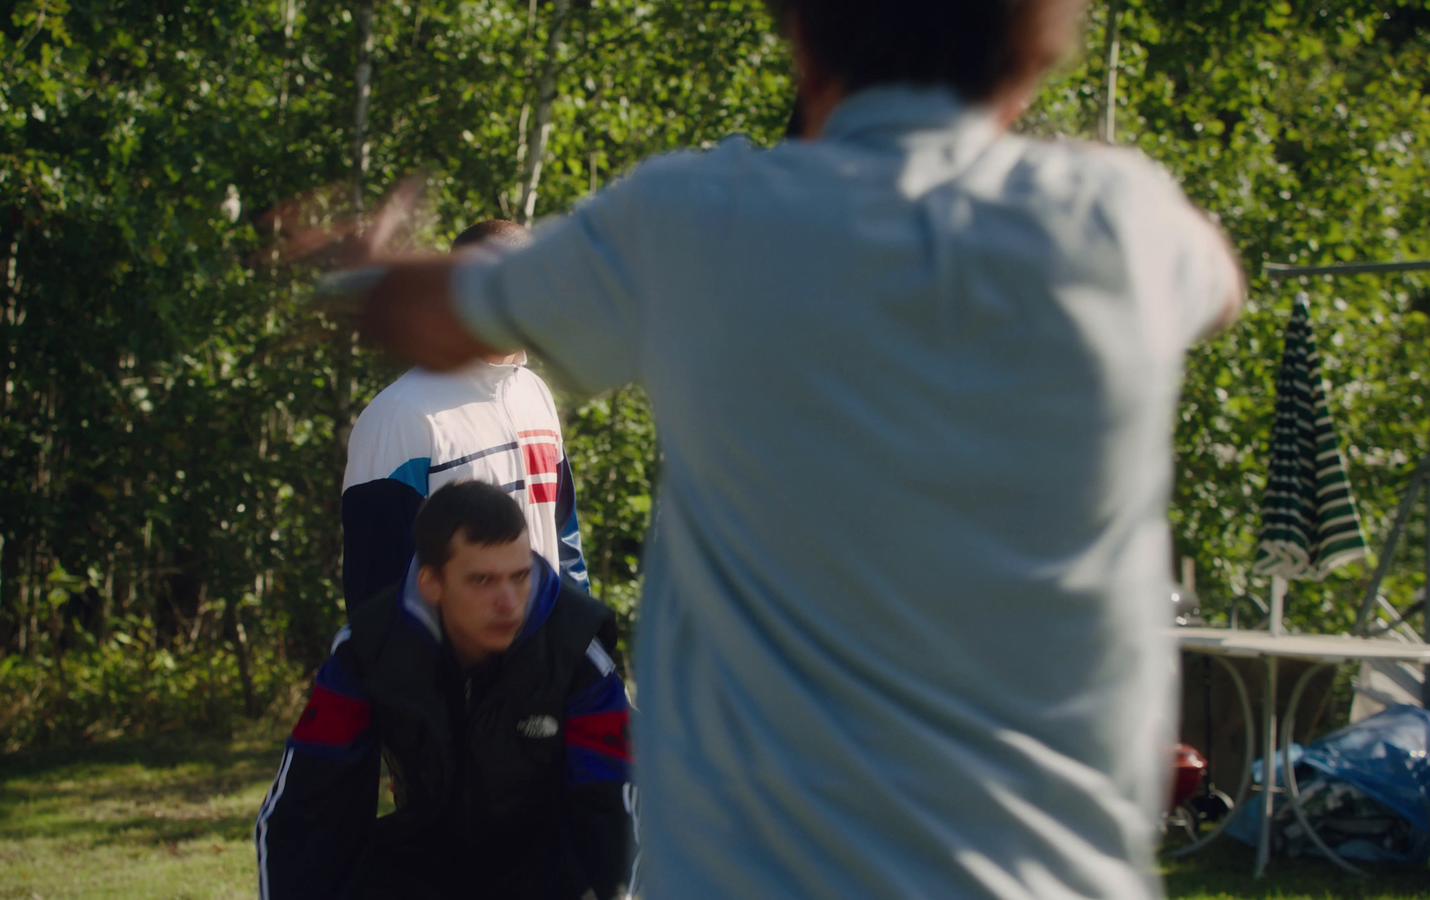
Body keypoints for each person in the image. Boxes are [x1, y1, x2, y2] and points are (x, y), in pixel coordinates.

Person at [297, 1, 1248, 896]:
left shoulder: (700, 221)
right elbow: (1221, 284)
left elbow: (435, 311)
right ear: (1040, 48)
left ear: (801, 38)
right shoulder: (1122, 223)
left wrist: (361, 273)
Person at [255, 481, 635, 899]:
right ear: (431, 583)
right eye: (483, 580)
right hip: (426, 864)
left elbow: (615, 813)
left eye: (520, 575)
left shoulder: (576, 649)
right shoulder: (368, 649)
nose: (510, 602)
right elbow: (305, 809)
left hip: (555, 868)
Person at [342, 219, 589, 623]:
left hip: (548, 674)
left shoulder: (534, 395)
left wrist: (586, 646)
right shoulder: (400, 418)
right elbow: (378, 596)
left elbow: (564, 540)